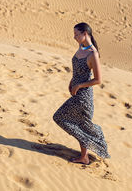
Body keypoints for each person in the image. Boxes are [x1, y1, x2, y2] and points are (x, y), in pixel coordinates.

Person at [53, 22, 110, 164]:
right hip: (76, 92)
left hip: (84, 97)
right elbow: (78, 70)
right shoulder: (81, 47)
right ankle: (84, 156)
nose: (74, 37)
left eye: (76, 34)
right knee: (80, 123)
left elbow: (98, 80)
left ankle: (96, 135)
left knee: (59, 117)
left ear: (85, 33)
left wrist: (79, 85)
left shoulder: (93, 54)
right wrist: (72, 81)